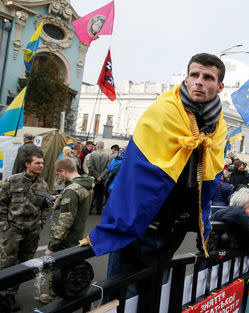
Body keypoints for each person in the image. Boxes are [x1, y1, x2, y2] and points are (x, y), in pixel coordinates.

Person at [83, 53, 227, 299]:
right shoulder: (165, 109)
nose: (199, 82)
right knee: (120, 296)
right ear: (187, 77)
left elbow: (209, 175)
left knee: (153, 296)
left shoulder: (218, 126)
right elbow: (139, 170)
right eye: (194, 75)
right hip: (138, 223)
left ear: (220, 86)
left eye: (208, 77)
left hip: (170, 230)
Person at [39, 158, 95, 304]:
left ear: (63, 171)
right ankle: (67, 294)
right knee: (70, 268)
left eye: (59, 174)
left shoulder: (71, 190)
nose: (59, 177)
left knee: (57, 269)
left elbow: (64, 222)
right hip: (77, 233)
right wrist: (62, 198)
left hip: (65, 238)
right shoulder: (86, 184)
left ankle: (54, 298)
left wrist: (51, 246)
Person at [0, 151, 49, 312]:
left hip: (31, 233)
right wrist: (4, 226)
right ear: (28, 164)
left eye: (42, 163)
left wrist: (40, 223)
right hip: (12, 231)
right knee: (6, 263)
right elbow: (1, 204)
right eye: (37, 163)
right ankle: (2, 294)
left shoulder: (43, 185)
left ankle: (11, 294)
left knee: (23, 264)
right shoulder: (12, 181)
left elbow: (45, 207)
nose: (41, 166)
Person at [88, 141, 110, 215]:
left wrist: (97, 176)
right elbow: (107, 168)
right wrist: (101, 176)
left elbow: (90, 167)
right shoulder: (107, 155)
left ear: (97, 146)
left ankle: (89, 210)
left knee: (92, 195)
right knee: (100, 195)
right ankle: (98, 211)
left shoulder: (92, 154)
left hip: (94, 178)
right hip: (102, 179)